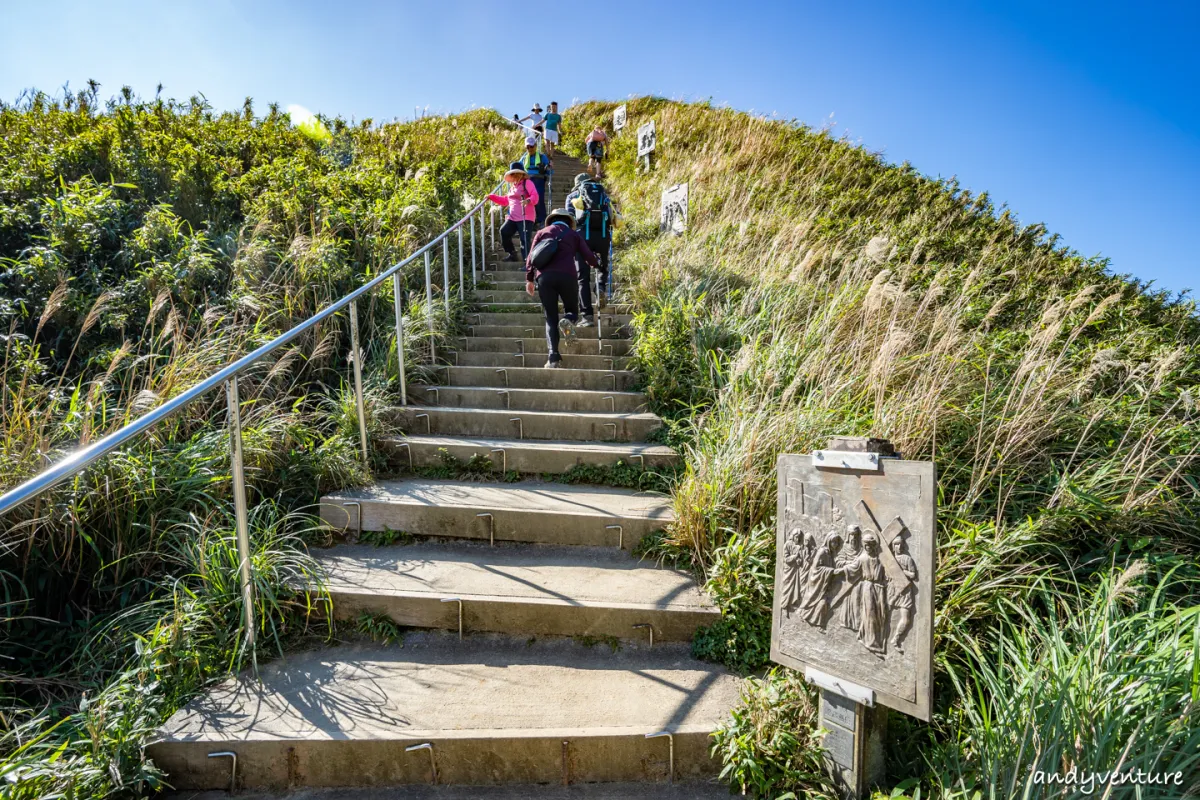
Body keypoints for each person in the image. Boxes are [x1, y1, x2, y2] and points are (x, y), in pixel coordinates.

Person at [525, 209, 600, 368]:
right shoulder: (574, 235)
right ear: (568, 221)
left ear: (551, 220)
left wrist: (529, 279)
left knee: (550, 318)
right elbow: (589, 257)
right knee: (572, 310)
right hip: (568, 276)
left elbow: (531, 257)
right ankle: (568, 319)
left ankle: (553, 358)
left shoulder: (541, 232)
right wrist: (596, 263)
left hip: (544, 277)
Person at [564, 173, 614, 324]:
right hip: (603, 237)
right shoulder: (603, 194)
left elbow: (569, 219)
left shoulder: (573, 195)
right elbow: (612, 216)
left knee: (583, 278)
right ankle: (600, 287)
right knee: (602, 268)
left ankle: (587, 316)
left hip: (582, 239)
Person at [487, 161, 539, 262]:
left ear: (521, 174)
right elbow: (506, 200)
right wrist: (492, 197)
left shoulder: (527, 183)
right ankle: (512, 253)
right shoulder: (513, 187)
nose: (514, 175)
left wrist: (528, 200)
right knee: (504, 231)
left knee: (524, 240)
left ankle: (527, 263)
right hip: (513, 217)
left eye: (515, 173)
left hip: (526, 217)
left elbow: (535, 196)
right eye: (512, 174)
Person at [519, 136, 553, 225]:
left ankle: (541, 219)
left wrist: (548, 168)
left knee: (539, 199)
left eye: (531, 146)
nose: (530, 149)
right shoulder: (523, 159)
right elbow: (518, 168)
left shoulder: (542, 157)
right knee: (527, 200)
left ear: (535, 146)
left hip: (539, 180)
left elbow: (550, 171)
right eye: (527, 147)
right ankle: (531, 220)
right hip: (527, 182)